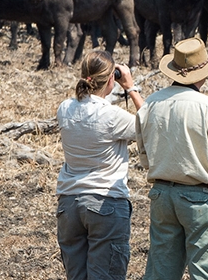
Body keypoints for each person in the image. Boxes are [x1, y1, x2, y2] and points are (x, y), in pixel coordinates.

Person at [136, 37, 208, 280]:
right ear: (203, 72)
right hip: (200, 198)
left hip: (161, 195)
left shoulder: (151, 103)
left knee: (161, 271)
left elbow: (144, 157)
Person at [55, 50, 145, 280]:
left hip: (69, 203)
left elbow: (88, 102)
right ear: (111, 79)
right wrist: (131, 88)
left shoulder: (64, 109)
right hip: (106, 201)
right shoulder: (112, 116)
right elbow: (152, 124)